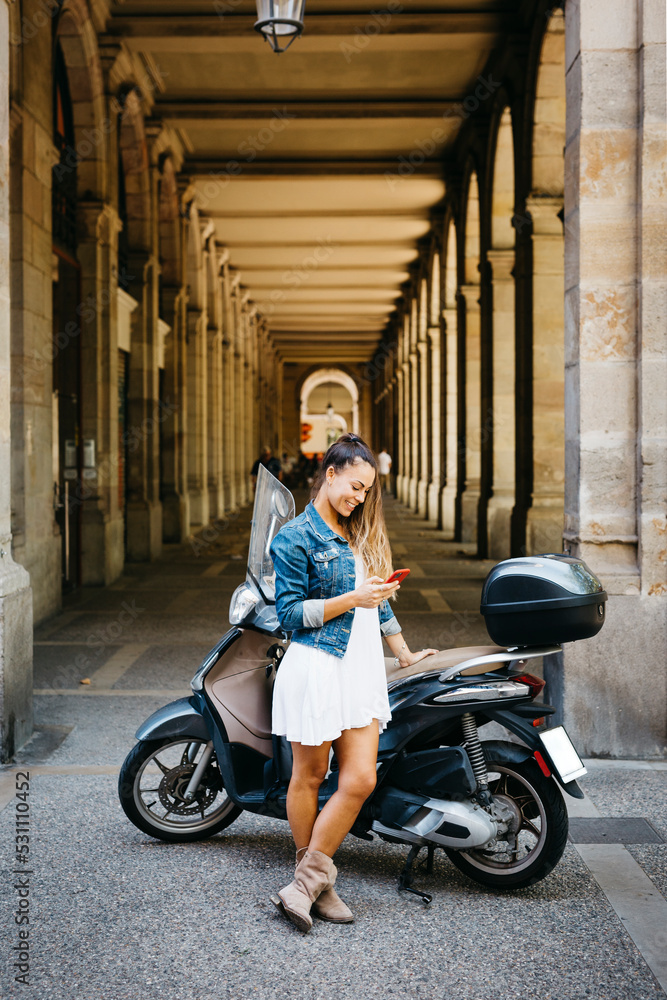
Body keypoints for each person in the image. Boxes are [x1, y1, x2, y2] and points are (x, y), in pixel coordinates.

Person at [268, 432, 438, 932]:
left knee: (360, 778)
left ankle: (305, 883)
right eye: (354, 486)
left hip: (360, 670)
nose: (358, 498)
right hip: (317, 666)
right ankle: (317, 882)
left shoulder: (354, 532)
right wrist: (352, 600)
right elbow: (289, 615)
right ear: (331, 473)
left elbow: (378, 599)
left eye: (365, 492)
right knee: (310, 775)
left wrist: (404, 653)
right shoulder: (294, 537)